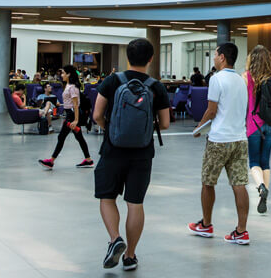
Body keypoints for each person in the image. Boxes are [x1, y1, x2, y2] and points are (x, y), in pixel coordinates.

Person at [93, 38, 170, 270]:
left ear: (127, 57)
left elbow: (97, 115)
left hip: (112, 150)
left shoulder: (112, 81)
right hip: (142, 153)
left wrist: (112, 130)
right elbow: (165, 123)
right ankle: (130, 256)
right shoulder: (156, 86)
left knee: (107, 197)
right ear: (151, 59)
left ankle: (115, 238)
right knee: (135, 203)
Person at [189, 42, 250, 245]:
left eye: (215, 55)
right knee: (239, 184)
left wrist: (199, 128)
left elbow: (212, 111)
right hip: (240, 139)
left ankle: (206, 225)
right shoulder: (242, 80)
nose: (214, 58)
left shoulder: (216, 79)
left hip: (218, 140)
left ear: (222, 57)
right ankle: (241, 231)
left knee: (208, 182)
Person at [244, 45, 271, 215]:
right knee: (266, 161)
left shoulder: (247, 77)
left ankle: (261, 187)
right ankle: (265, 196)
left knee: (254, 162)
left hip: (254, 124)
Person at [39, 65, 94, 169]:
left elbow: (76, 105)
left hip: (71, 116)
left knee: (62, 137)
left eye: (63, 73)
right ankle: (88, 159)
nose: (62, 75)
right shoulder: (69, 86)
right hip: (70, 115)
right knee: (78, 138)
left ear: (69, 74)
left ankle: (51, 161)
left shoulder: (72, 87)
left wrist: (76, 120)